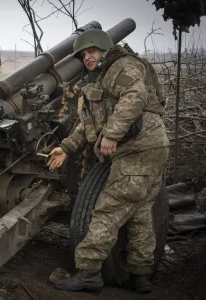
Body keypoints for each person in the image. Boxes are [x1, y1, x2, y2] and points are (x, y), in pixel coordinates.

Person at [47, 29, 170, 293]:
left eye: (91, 51)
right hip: (150, 148)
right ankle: (140, 275)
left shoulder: (122, 65)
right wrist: (66, 148)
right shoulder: (102, 80)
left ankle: (89, 272)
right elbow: (88, 121)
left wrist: (112, 135)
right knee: (139, 213)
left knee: (108, 209)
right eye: (83, 54)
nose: (87, 57)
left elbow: (135, 96)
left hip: (139, 149)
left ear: (104, 49)